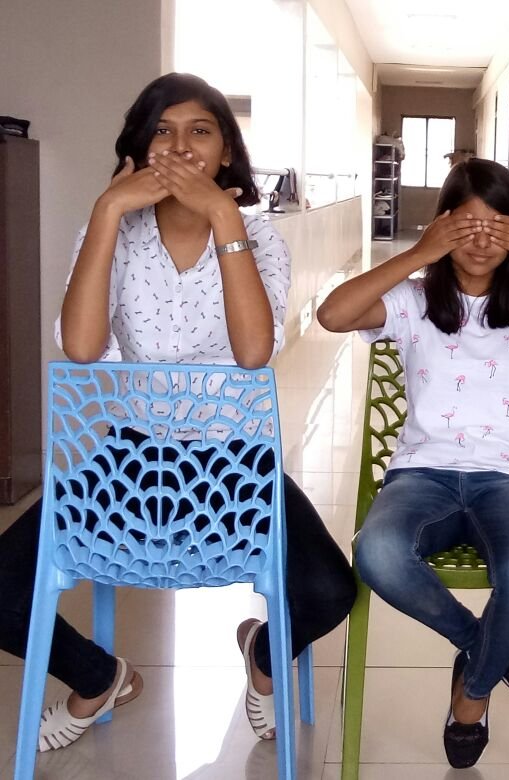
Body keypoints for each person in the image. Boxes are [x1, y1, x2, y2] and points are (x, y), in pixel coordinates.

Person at [1, 72, 355, 752]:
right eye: (162, 130)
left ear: (227, 152)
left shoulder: (260, 236)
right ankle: (98, 675)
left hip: (233, 461)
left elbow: (253, 352)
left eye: (200, 131)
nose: (181, 146)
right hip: (131, 460)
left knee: (329, 590)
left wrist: (225, 219)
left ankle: (260, 655)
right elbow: (82, 346)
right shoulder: (113, 227)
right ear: (139, 147)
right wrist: (108, 209)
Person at [316, 158, 509, 768]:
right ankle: (492, 652)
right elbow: (332, 315)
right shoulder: (410, 302)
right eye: (464, 226)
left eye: (496, 226)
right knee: (377, 553)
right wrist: (419, 253)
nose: (480, 240)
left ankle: (472, 694)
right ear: (442, 226)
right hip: (422, 474)